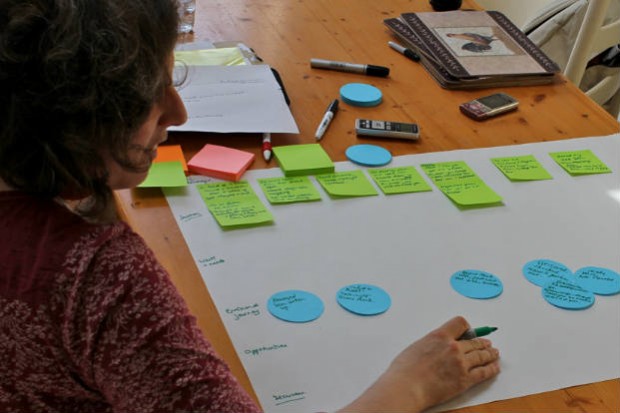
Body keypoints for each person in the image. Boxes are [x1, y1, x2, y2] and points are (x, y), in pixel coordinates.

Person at [0, 0, 500, 411]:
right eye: (151, 95)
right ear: (77, 115)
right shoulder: (99, 276)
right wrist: (410, 386)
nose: (179, 111)